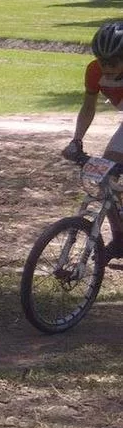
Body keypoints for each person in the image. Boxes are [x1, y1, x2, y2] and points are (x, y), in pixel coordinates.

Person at [61, 19, 123, 261]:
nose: (106, 67)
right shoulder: (94, 71)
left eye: (113, 62)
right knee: (106, 175)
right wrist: (76, 141)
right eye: (102, 60)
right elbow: (88, 108)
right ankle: (120, 238)